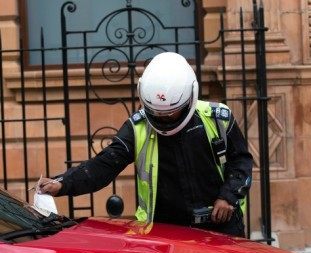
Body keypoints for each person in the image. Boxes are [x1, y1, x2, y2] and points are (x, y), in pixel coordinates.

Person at [38, 52, 253, 237]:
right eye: (157, 113)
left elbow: (241, 161)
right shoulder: (137, 128)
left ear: (189, 98)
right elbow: (103, 165)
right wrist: (63, 183)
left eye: (171, 113)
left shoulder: (218, 118)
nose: (164, 119)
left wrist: (228, 197)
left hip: (221, 226)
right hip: (165, 231)